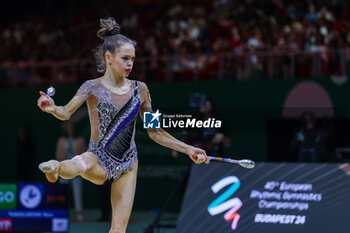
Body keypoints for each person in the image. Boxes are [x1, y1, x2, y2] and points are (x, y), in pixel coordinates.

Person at [36, 17, 209, 233]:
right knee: (82, 164)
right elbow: (65, 113)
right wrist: (53, 108)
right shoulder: (91, 87)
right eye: (125, 58)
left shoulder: (141, 90)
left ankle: (57, 169)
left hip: (128, 164)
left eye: (133, 59)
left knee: (119, 229)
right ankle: (56, 167)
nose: (130, 64)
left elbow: (155, 132)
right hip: (98, 157)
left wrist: (188, 149)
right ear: (108, 58)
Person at [56, 121, 86, 221]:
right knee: (62, 192)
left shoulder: (80, 140)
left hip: (77, 171)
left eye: (71, 127)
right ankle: (62, 212)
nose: (70, 129)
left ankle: (79, 213)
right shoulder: (61, 140)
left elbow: (85, 156)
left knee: (77, 192)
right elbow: (58, 155)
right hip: (64, 169)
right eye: (68, 127)